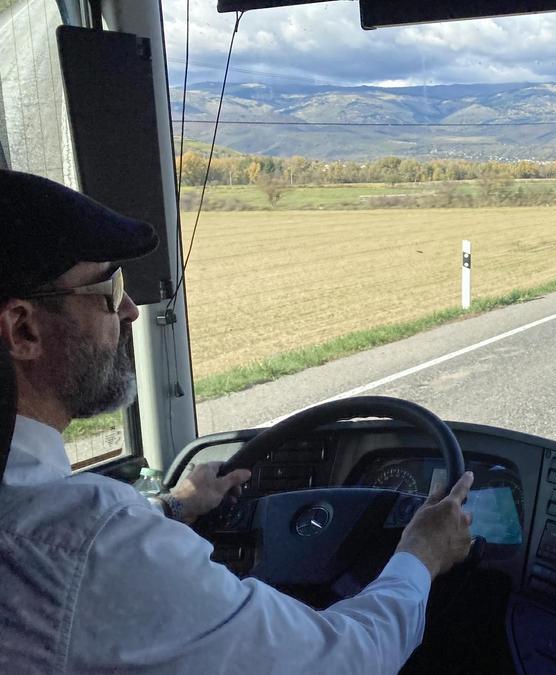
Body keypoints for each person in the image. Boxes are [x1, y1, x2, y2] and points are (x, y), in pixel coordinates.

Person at [0, 169, 474, 674]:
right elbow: (349, 658)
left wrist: (175, 506)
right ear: (23, 329)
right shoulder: (95, 541)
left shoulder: (44, 517)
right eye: (108, 288)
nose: (131, 310)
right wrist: (420, 555)